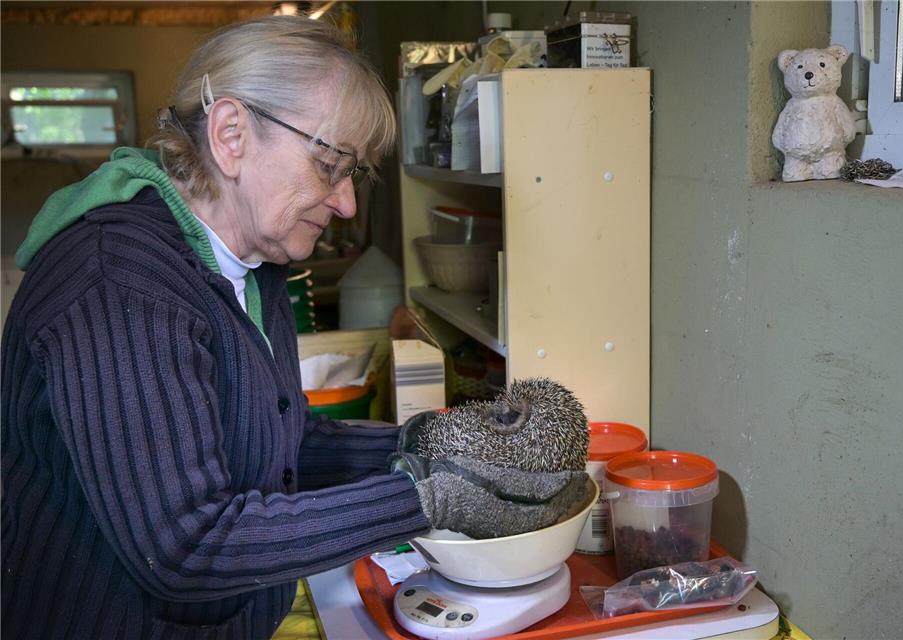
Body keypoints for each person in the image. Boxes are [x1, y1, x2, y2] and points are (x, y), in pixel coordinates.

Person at [1, 16, 585, 639]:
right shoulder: (118, 282)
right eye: (331, 163)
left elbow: (280, 442)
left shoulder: (251, 263)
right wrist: (427, 497)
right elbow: (186, 547)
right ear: (231, 134)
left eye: (353, 173)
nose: (347, 203)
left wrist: (431, 445)